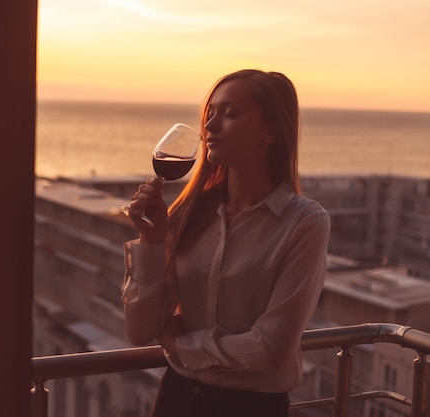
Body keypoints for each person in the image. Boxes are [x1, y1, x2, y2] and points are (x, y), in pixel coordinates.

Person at [122, 69, 331, 417]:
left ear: (271, 132)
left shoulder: (304, 222)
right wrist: (151, 240)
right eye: (210, 115)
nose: (210, 127)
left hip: (251, 407)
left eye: (230, 114)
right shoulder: (188, 213)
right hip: (176, 400)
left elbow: (270, 349)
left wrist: (179, 344)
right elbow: (140, 329)